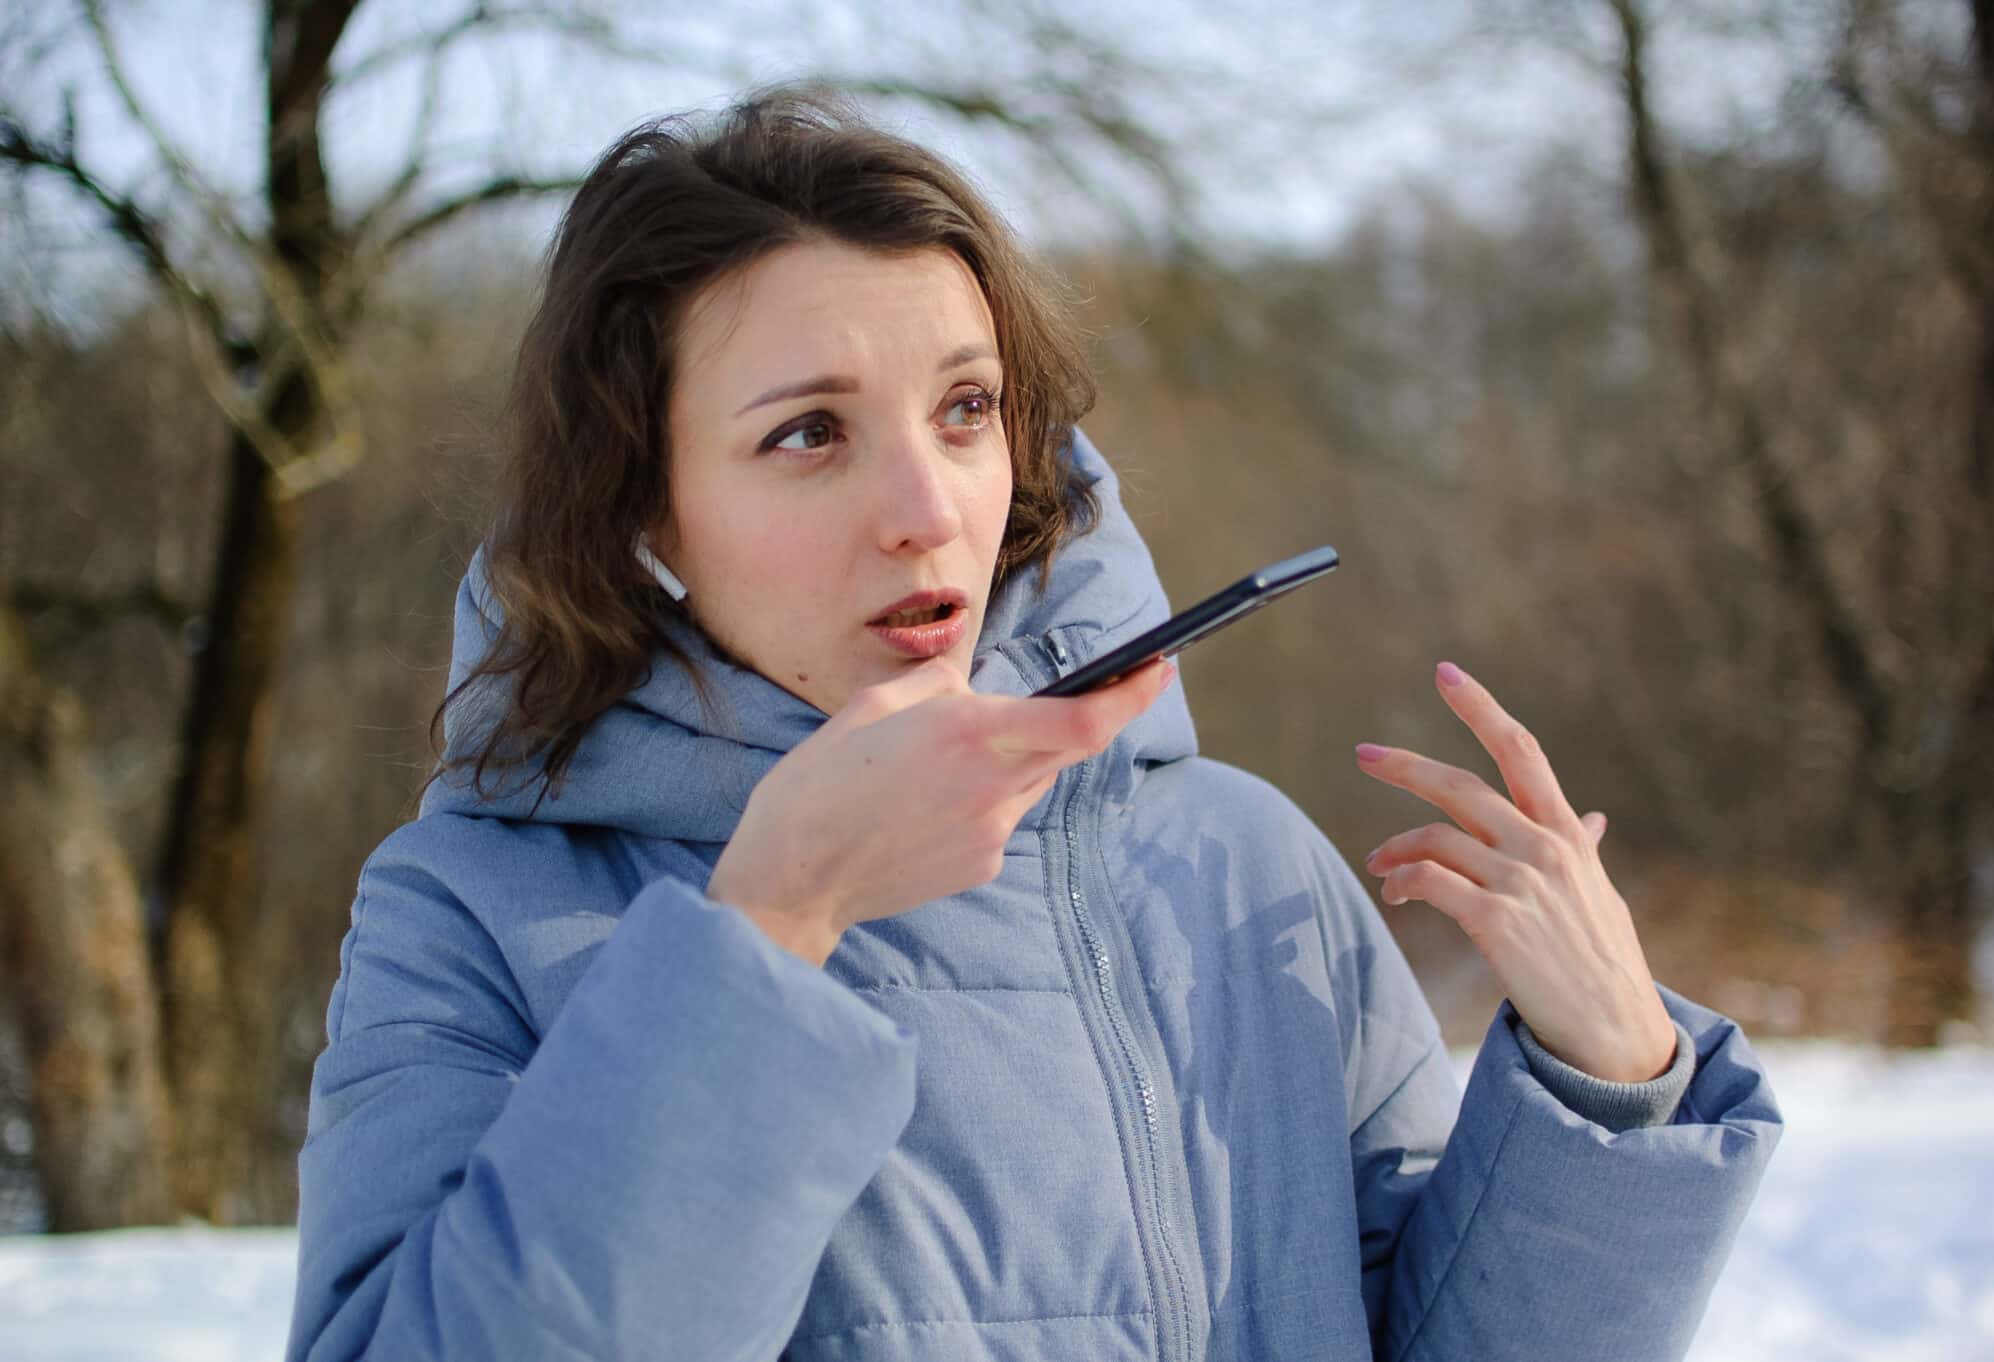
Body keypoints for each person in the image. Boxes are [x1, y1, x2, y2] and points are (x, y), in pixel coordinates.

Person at [285, 86, 1782, 1362]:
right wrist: (768, 927)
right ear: (641, 506)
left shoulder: (1241, 864)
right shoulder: (474, 908)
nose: (927, 512)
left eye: (966, 409)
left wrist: (1607, 1081)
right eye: (810, 433)